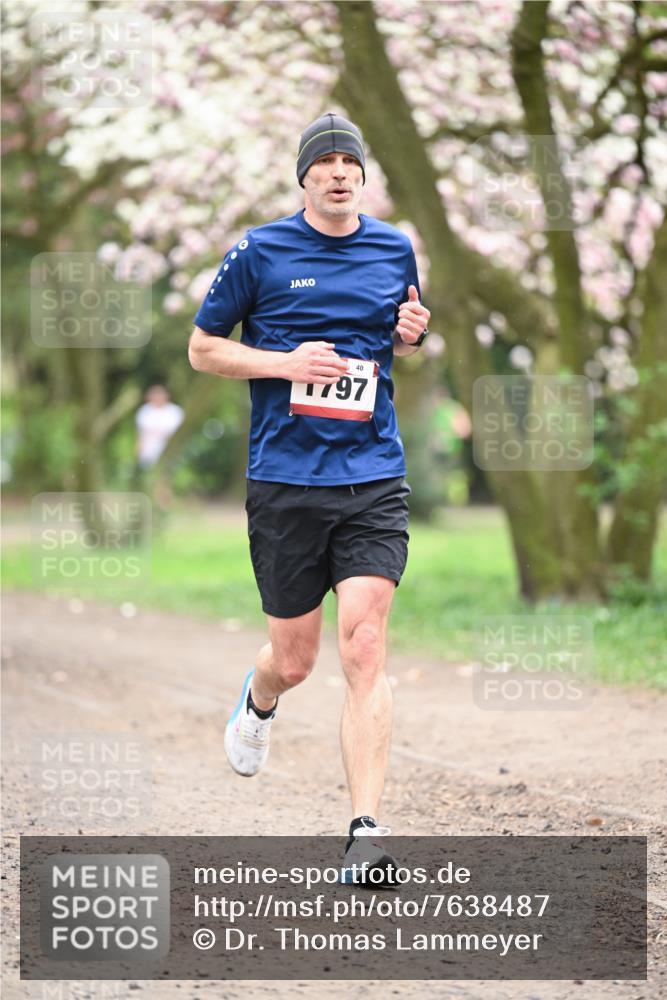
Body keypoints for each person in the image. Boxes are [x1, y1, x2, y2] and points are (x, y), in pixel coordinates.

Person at [188, 112, 430, 882]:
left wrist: (410, 333)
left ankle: (365, 831)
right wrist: (283, 363)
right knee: (295, 661)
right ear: (303, 177)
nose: (336, 171)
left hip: (371, 477)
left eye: (348, 161)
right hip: (286, 481)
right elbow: (202, 350)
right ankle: (258, 701)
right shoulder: (259, 250)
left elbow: (395, 330)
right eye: (322, 161)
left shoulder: (394, 246)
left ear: (362, 175)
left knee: (363, 647)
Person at [134, 385, 184, 512]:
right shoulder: (144, 412)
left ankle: (165, 503)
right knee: (153, 477)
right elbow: (141, 434)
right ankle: (156, 503)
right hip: (149, 453)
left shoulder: (174, 412)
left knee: (165, 477)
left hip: (167, 451)